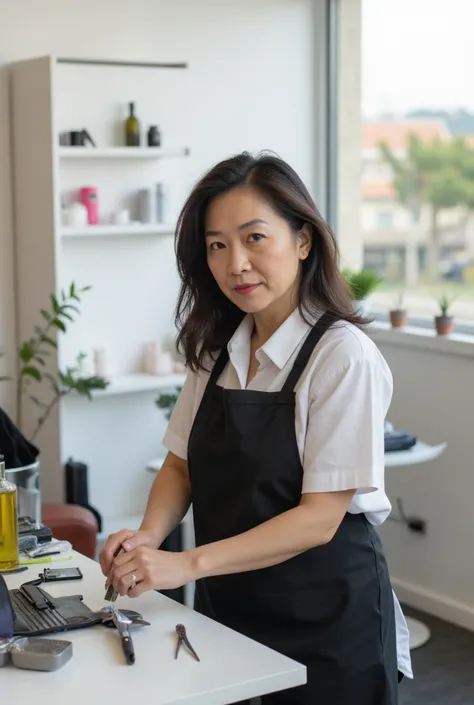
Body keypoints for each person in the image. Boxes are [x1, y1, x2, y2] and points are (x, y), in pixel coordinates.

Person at [100, 152, 412, 704]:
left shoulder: (343, 357)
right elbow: (180, 465)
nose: (235, 263)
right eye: (217, 245)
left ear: (303, 240)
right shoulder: (215, 350)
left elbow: (318, 520)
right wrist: (148, 538)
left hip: (328, 620)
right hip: (231, 607)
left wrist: (185, 564)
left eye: (254, 238)